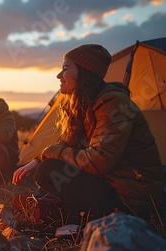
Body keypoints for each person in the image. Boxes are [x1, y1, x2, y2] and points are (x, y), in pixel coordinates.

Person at [12, 44, 165, 221]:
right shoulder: (83, 104)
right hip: (111, 181)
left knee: (47, 170)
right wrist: (39, 159)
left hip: (133, 196)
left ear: (84, 74)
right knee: (48, 169)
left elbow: (98, 161)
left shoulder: (114, 103)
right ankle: (48, 204)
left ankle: (73, 212)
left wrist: (46, 155)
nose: (59, 76)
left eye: (65, 69)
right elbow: (67, 143)